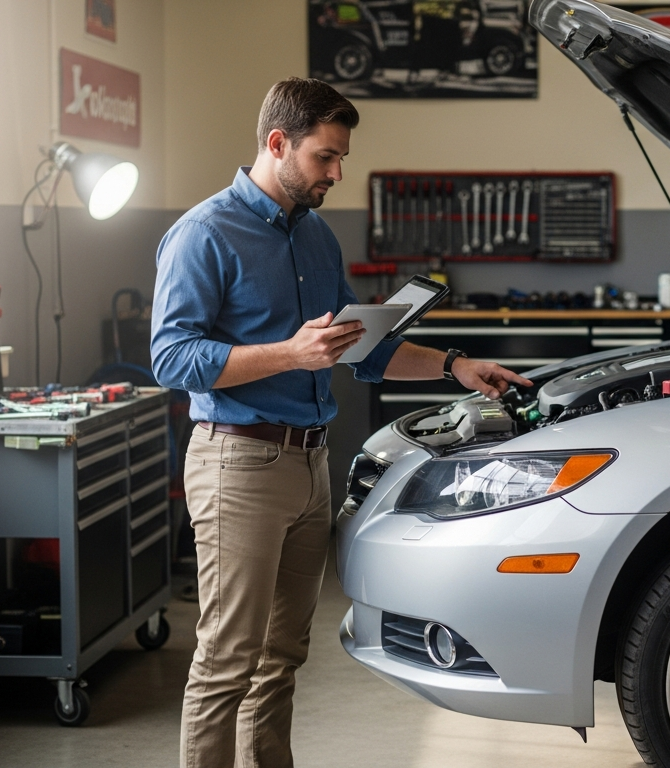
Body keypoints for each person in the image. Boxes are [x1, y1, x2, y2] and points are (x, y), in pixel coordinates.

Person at [151, 77, 531, 768]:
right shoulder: (203, 234)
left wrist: (457, 366)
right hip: (238, 464)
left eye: (340, 157)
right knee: (228, 659)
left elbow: (365, 349)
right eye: (326, 157)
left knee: (282, 655)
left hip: (310, 465)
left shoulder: (318, 237)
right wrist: (287, 353)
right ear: (277, 143)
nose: (337, 172)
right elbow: (172, 358)